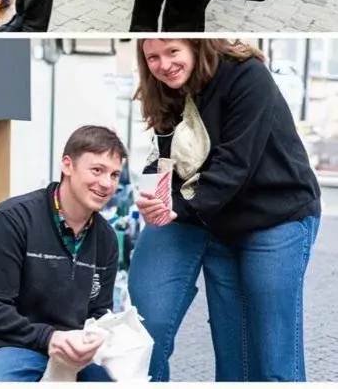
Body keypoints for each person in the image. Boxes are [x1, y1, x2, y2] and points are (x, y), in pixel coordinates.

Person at [128, 39, 321, 382]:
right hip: (217, 221)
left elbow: (235, 164)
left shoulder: (246, 75)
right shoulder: (167, 89)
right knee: (234, 360)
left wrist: (179, 206)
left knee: (273, 354)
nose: (163, 64)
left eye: (172, 51)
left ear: (196, 46)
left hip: (275, 212)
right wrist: (155, 197)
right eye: (152, 57)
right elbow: (164, 159)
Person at [0, 126, 124, 382]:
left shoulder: (106, 238)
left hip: (77, 349)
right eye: (97, 170)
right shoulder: (12, 219)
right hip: (16, 345)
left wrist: (96, 337)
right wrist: (49, 338)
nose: (107, 183)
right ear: (67, 165)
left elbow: (99, 312)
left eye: (115, 174)